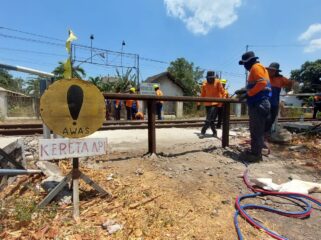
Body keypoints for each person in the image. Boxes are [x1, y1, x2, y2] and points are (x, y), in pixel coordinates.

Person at [238, 51, 271, 162]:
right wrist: (244, 89)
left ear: (250, 61)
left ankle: (255, 155)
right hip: (261, 103)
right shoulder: (260, 68)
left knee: (256, 130)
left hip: (259, 103)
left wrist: (248, 94)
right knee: (258, 130)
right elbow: (256, 84)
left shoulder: (255, 68)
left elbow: (262, 84)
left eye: (244, 64)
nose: (244, 67)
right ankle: (257, 151)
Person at [265, 62, 294, 133]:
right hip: (264, 103)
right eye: (270, 70)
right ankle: (262, 135)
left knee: (271, 120)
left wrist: (295, 85)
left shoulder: (281, 79)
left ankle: (266, 134)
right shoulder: (264, 77)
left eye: (273, 70)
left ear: (276, 71)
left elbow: (291, 83)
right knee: (266, 119)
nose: (270, 71)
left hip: (274, 103)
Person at [200, 71, 225, 137]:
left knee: (208, 119)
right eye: (209, 78)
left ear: (214, 78)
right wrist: (198, 103)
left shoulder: (218, 82)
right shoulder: (204, 84)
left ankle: (202, 131)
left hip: (215, 103)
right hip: (207, 104)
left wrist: (222, 102)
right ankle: (214, 132)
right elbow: (202, 94)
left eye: (212, 78)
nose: (210, 79)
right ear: (207, 78)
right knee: (211, 120)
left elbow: (223, 92)